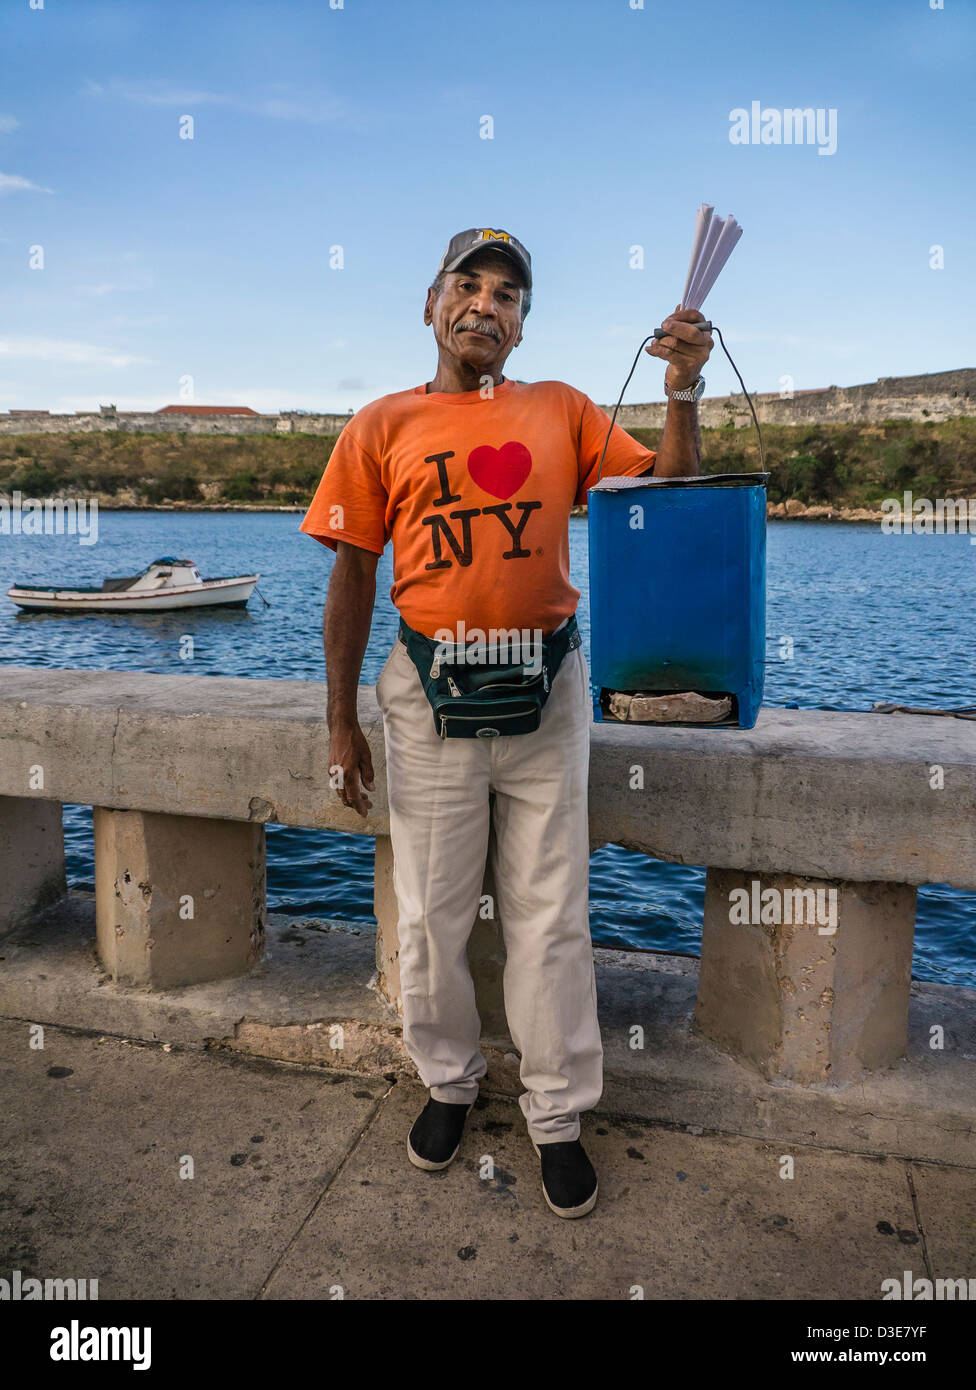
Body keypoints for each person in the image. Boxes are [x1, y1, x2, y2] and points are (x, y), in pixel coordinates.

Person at [300, 227, 712, 1218]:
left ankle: (558, 1113)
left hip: (546, 693)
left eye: (509, 295)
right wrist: (341, 723)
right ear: (432, 304)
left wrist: (683, 391)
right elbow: (352, 576)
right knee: (434, 916)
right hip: (428, 697)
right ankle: (446, 1080)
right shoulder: (380, 424)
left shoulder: (561, 410)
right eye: (469, 285)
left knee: (549, 915)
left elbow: (665, 491)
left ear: (522, 325)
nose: (487, 304)